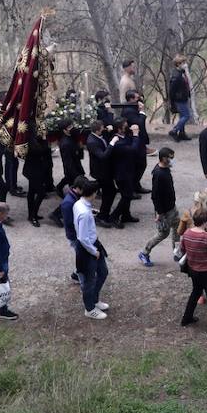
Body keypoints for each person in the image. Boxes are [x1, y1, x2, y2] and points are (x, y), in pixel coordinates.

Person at [72, 178, 111, 319]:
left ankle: (94, 300)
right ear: (93, 193)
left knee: (103, 272)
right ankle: (89, 308)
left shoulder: (79, 204)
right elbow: (82, 237)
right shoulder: (84, 213)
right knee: (90, 280)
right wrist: (93, 251)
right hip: (88, 248)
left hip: (93, 244)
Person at [137, 147, 179, 267]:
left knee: (178, 226)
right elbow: (155, 196)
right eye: (171, 158)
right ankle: (144, 252)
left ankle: (177, 250)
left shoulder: (165, 169)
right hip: (165, 211)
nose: (172, 160)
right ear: (164, 158)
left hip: (172, 207)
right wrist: (159, 213)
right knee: (163, 234)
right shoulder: (159, 174)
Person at [109, 119, 141, 229]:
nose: (127, 127)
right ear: (119, 129)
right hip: (121, 174)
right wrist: (136, 135)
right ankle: (114, 216)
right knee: (127, 196)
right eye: (125, 126)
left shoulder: (124, 137)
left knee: (127, 194)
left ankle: (126, 215)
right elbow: (133, 149)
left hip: (128, 171)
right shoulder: (117, 143)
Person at [23, 135, 55, 227]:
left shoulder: (36, 141)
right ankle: (33, 216)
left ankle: (31, 215)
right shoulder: (32, 142)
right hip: (33, 171)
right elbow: (41, 151)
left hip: (37, 170)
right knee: (41, 193)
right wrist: (45, 140)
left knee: (32, 192)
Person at [167, 54, 194, 141]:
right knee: (186, 116)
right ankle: (174, 130)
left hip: (184, 98)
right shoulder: (176, 76)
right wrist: (172, 103)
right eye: (183, 62)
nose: (185, 64)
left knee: (182, 116)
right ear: (178, 64)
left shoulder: (181, 73)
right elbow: (171, 91)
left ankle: (182, 133)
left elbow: (186, 84)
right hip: (179, 99)